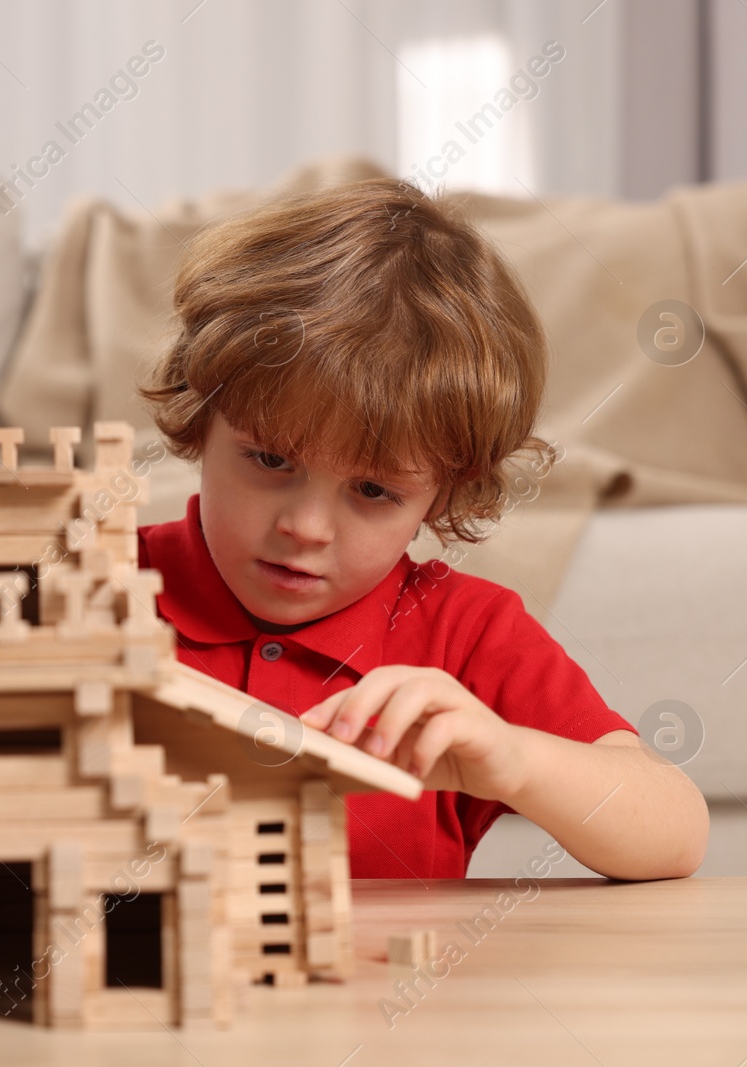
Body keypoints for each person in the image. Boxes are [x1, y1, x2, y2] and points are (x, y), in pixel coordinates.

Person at [135, 177, 708, 880]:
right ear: (203, 414)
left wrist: (515, 760)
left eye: (373, 490)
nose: (306, 526)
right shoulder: (98, 590)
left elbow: (676, 830)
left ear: (444, 493)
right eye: (270, 459)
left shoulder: (462, 635)